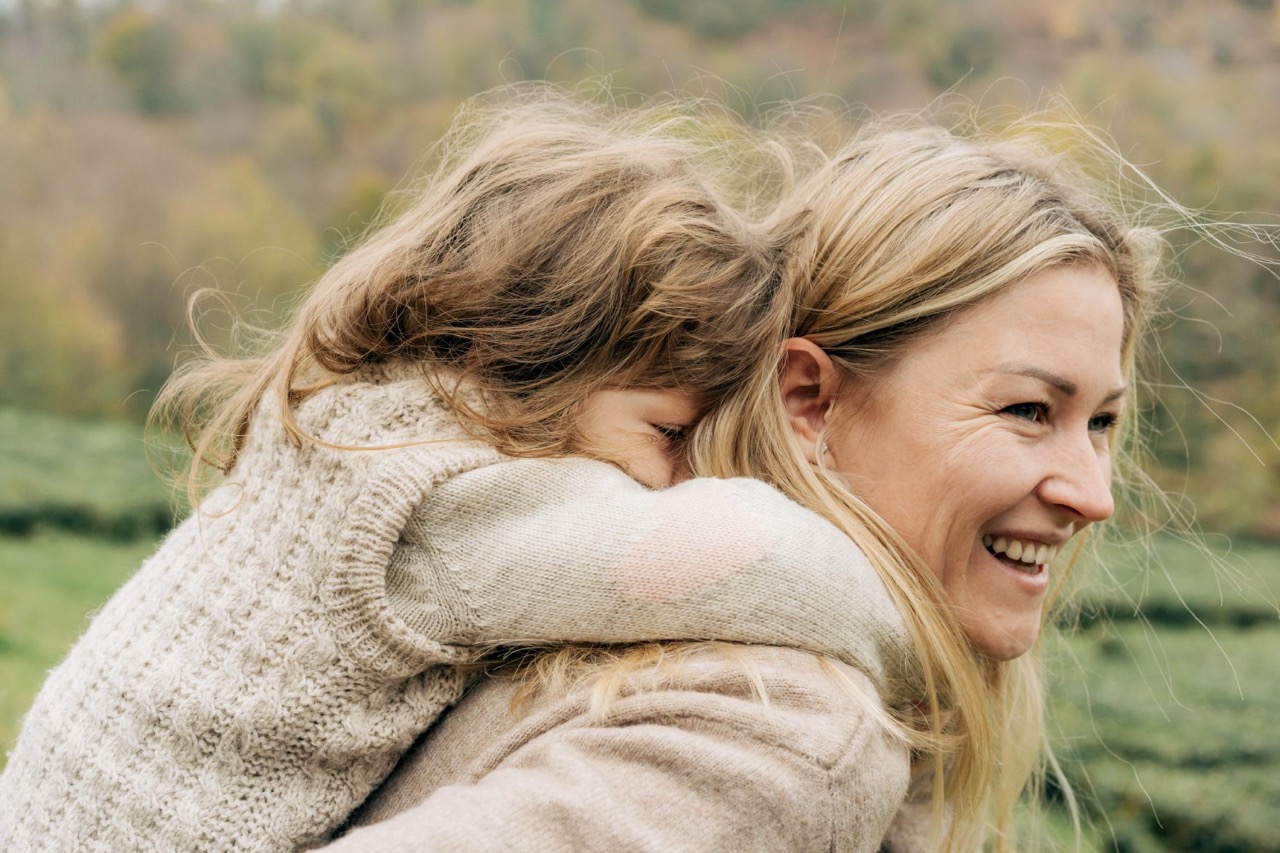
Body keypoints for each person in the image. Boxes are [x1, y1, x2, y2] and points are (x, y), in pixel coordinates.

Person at [0, 90, 914, 851]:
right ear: (550, 358)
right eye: (667, 432)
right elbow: (754, 565)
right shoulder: (438, 498)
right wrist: (920, 634)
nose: (672, 477)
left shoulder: (360, 430)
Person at [322, 115, 1171, 851]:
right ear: (812, 401)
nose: (1092, 493)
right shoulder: (788, 740)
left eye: (1100, 422)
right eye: (1027, 409)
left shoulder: (621, 622)